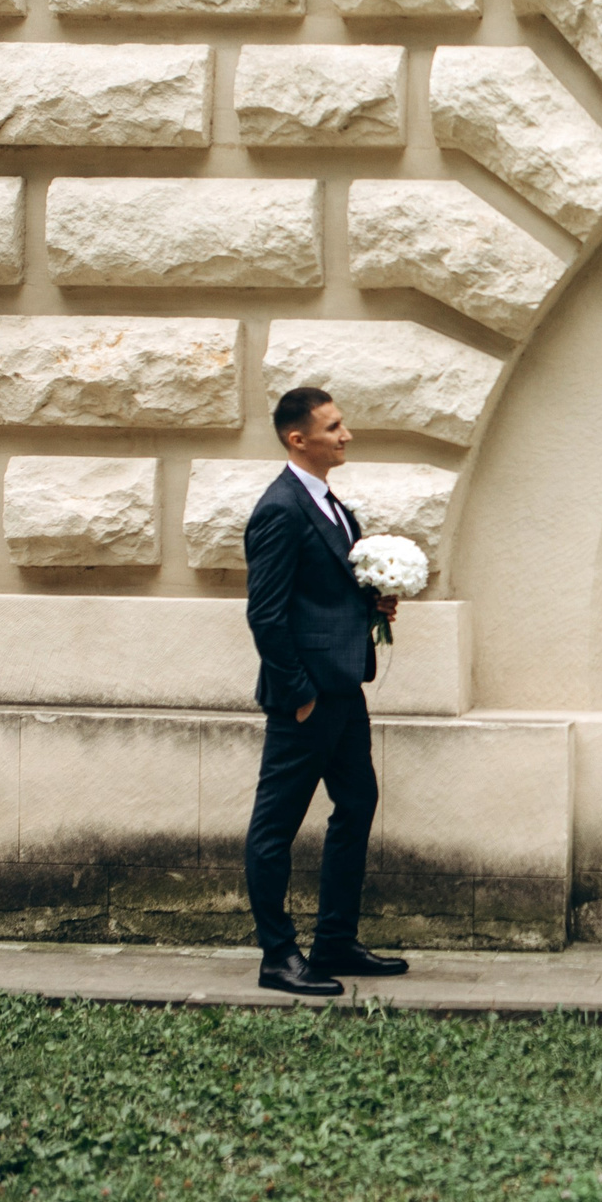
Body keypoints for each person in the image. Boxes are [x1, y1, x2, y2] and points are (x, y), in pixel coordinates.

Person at [241, 385, 409, 996]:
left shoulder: (334, 506)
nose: (346, 435)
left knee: (357, 804)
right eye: (334, 427)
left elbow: (326, 591)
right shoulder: (281, 509)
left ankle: (334, 940)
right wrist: (299, 693)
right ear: (298, 438)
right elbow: (266, 613)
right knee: (275, 827)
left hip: (345, 689)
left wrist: (372, 603)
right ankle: (277, 956)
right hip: (307, 697)